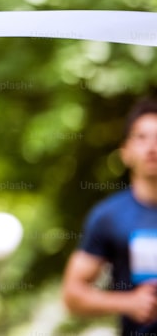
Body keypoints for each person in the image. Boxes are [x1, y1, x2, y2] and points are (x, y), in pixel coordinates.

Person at [63, 96, 157, 336]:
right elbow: (72, 294)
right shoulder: (108, 216)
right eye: (141, 137)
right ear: (125, 152)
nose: (152, 147)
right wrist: (129, 303)